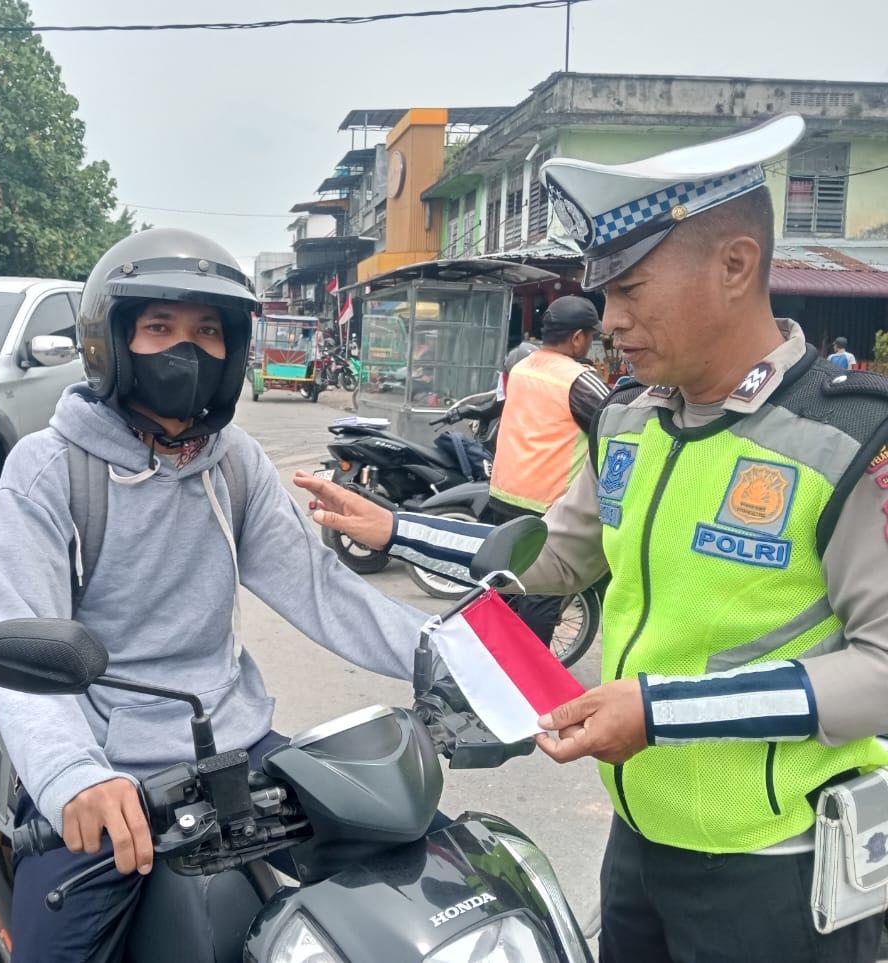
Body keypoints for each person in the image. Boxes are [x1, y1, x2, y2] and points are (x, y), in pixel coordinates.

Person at [297, 114, 888, 961]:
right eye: (605, 295)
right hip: (639, 847)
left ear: (735, 265)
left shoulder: (851, 437)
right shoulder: (630, 422)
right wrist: (399, 528)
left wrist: (660, 712)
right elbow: (559, 556)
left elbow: (881, 667)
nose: (608, 321)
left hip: (776, 867)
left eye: (631, 290)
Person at [0, 228, 441, 963]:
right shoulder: (50, 470)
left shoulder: (235, 465)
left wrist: (441, 656)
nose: (184, 351)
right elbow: (20, 647)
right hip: (110, 767)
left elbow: (321, 591)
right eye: (159, 327)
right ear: (112, 341)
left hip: (235, 748)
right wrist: (75, 778)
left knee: (420, 864)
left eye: (207, 332)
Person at [487, 296, 609, 643]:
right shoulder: (578, 379)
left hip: (504, 494)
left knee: (505, 587)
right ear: (577, 338)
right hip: (546, 502)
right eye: (590, 336)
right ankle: (527, 678)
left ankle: (494, 659)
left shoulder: (524, 367)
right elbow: (615, 420)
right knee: (542, 593)